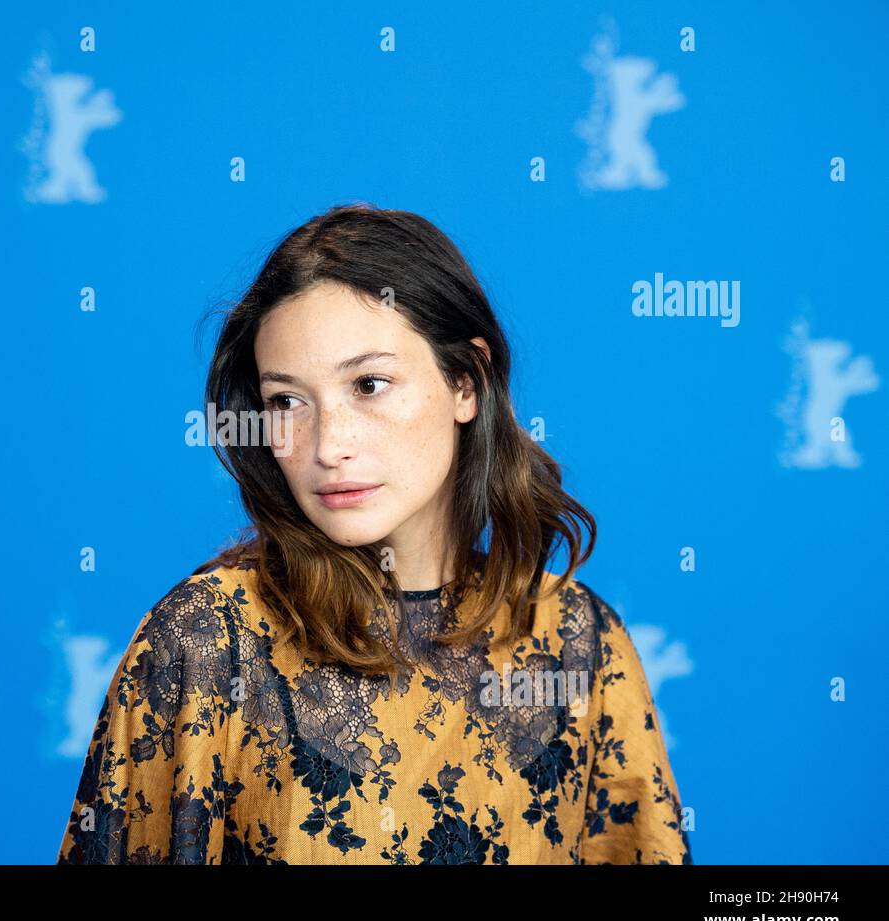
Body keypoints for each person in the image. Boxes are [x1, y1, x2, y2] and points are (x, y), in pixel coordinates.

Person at [56, 202, 692, 865]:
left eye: (369, 384)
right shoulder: (206, 642)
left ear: (466, 382)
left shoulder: (580, 643)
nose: (329, 444)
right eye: (286, 401)